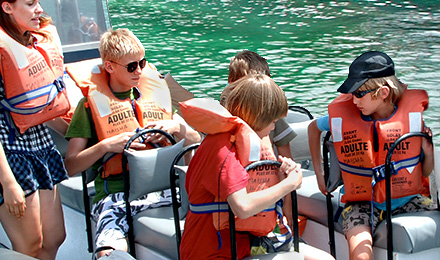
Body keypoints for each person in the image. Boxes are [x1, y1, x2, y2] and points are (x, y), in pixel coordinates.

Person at [63, 28, 201, 258]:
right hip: (117, 196)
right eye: (131, 66)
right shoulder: (88, 107)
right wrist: (106, 145)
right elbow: (70, 166)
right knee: (109, 253)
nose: (139, 71)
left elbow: (196, 139)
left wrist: (177, 127)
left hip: (166, 191)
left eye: (142, 63)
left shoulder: (154, 97)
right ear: (109, 67)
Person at [180, 74, 334, 260]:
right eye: (273, 122)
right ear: (257, 116)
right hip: (212, 252)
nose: (272, 129)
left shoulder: (242, 143)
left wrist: (282, 175)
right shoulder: (222, 148)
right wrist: (289, 184)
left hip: (247, 245)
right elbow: (242, 206)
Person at [307, 51, 437, 260]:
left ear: (383, 92)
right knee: (360, 255)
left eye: (359, 93)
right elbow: (314, 128)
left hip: (407, 199)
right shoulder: (345, 116)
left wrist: (429, 152)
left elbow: (424, 172)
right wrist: (320, 172)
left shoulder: (411, 122)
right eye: (351, 93)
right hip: (361, 204)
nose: (354, 100)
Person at [0, 1, 71, 260]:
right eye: (30, 3)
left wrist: (78, 134)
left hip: (40, 147)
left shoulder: (34, 43)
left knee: (54, 238)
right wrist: (8, 183)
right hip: (11, 154)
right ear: (7, 7)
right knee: (29, 247)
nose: (39, 9)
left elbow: (36, 106)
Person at [220, 50, 298, 227]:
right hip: (236, 204)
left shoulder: (274, 121)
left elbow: (287, 159)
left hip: (267, 197)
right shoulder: (221, 124)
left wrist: (288, 206)